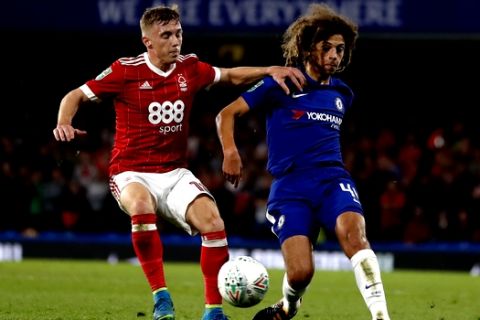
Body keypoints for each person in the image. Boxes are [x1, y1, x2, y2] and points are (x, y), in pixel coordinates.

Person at [52, 5, 305, 320]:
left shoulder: (191, 68)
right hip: (130, 172)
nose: (176, 41)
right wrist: (64, 121)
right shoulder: (125, 70)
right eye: (166, 36)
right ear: (148, 42)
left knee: (214, 223)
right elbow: (75, 95)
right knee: (142, 206)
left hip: (174, 172)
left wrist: (269, 69)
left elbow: (230, 75)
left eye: (178, 33)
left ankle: (213, 311)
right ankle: (162, 298)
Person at [215, 3, 391, 320]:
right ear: (309, 49)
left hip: (332, 180)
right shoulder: (280, 84)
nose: (336, 55)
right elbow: (226, 114)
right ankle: (288, 307)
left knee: (356, 238)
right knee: (300, 274)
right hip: (290, 188)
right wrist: (230, 151)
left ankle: (381, 316)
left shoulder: (343, 94)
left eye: (341, 48)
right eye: (328, 47)